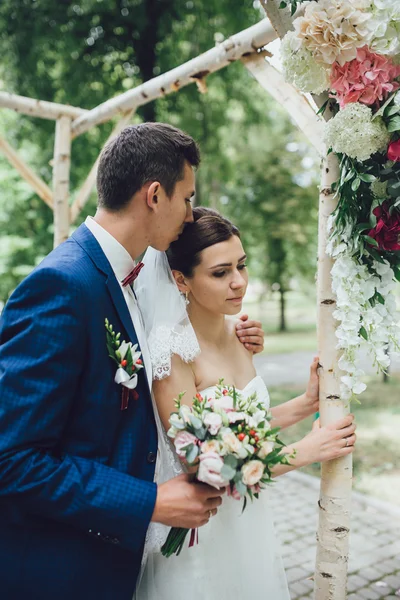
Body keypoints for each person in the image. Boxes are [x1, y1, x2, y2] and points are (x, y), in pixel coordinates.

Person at [0, 124, 265, 600]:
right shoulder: (63, 285)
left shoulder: (131, 278)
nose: (189, 215)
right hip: (61, 572)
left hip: (119, 565)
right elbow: (13, 461)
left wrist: (231, 336)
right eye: (186, 199)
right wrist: (151, 502)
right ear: (155, 194)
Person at [135, 207, 357, 600]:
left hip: (246, 520)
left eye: (242, 265)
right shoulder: (171, 354)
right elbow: (205, 463)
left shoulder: (240, 333)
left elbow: (242, 432)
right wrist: (304, 451)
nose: (239, 282)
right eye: (221, 273)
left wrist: (304, 404)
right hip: (200, 534)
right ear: (180, 279)